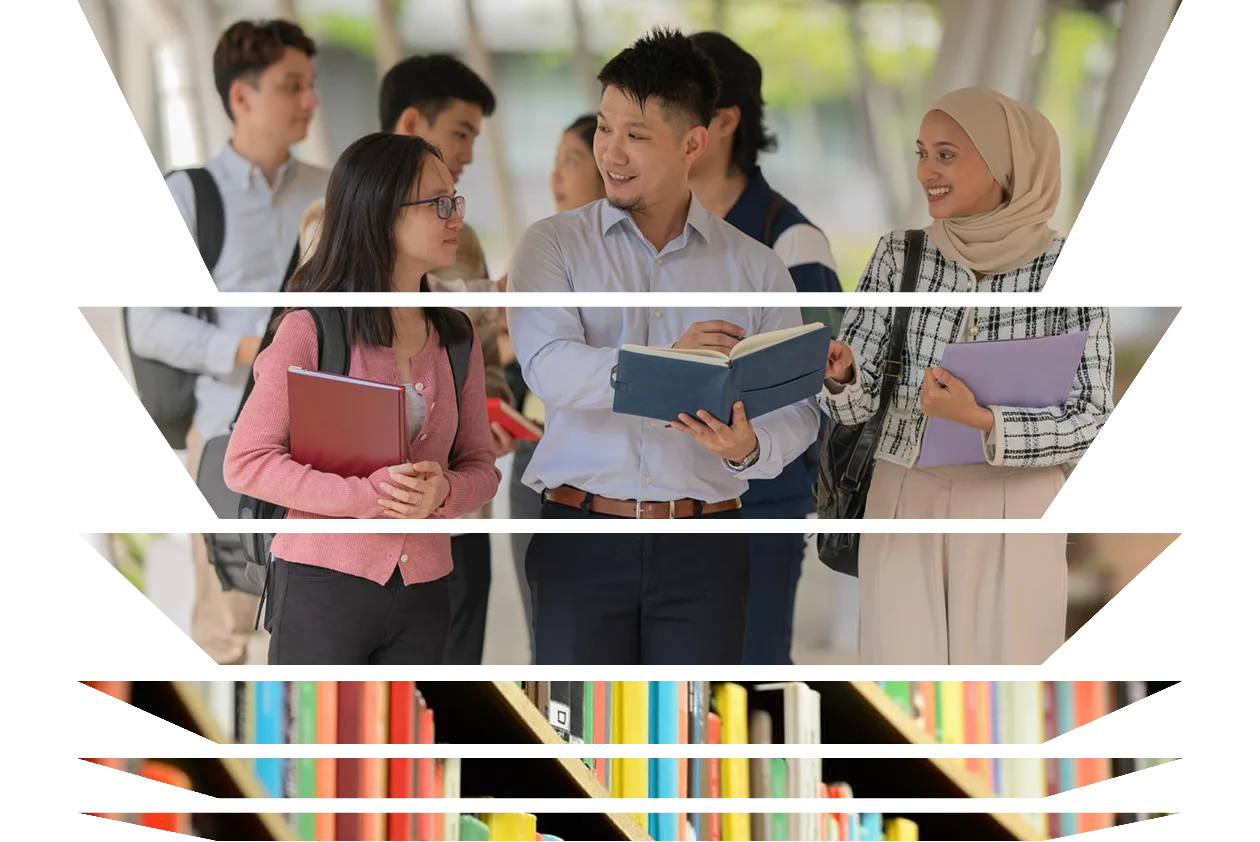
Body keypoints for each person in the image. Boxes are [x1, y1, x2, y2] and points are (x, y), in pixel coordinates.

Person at [506, 27, 821, 671]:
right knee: (575, 745)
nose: (610, 153)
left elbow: (797, 407)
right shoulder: (551, 246)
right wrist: (668, 364)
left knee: (685, 754)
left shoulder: (757, 269)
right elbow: (550, 370)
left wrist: (750, 447)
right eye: (603, 127)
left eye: (636, 135)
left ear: (693, 142)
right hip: (580, 539)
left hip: (705, 548)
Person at [818, 86, 1114, 668]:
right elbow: (853, 409)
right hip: (903, 493)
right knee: (900, 690)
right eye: (922, 153)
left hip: (1021, 502)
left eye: (947, 154)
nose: (927, 170)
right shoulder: (897, 255)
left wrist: (983, 421)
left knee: (1002, 693)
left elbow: (1094, 417)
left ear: (1005, 163)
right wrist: (844, 377)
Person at [222, 132, 502, 672]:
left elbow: (481, 467)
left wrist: (444, 490)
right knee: (317, 750)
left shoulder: (457, 336)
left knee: (407, 752)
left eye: (456, 201)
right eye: (438, 204)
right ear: (381, 213)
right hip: (323, 587)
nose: (455, 218)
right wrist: (366, 497)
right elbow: (246, 461)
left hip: (426, 591)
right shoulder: (311, 329)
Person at [297, 53, 513, 672]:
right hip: (341, 545)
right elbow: (303, 377)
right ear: (415, 121)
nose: (467, 156)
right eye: (460, 134)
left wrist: (482, 426)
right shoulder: (329, 232)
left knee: (455, 643)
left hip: (439, 512)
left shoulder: (458, 244)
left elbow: (477, 351)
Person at [128, 18, 329, 667]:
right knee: (228, 624)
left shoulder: (329, 191)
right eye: (291, 86)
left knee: (312, 620)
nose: (310, 101)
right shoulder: (187, 197)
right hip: (227, 436)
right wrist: (251, 350)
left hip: (326, 442)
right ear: (241, 98)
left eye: (312, 85)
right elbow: (149, 323)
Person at [687, 31, 845, 670]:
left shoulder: (793, 241)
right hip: (661, 501)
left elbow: (820, 378)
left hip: (758, 507)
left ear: (723, 122)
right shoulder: (642, 232)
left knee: (748, 687)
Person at [497, 113, 606, 663]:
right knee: (548, 639)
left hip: (602, 466)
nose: (555, 176)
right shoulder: (538, 252)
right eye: (555, 160)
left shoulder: (624, 262)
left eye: (572, 159)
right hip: (532, 456)